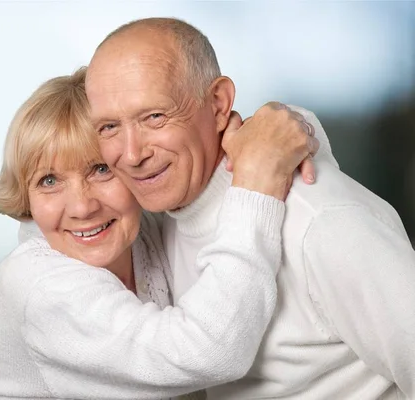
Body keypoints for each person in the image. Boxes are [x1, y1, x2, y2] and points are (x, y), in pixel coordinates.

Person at [84, 17, 415, 399]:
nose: (132, 154)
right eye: (109, 127)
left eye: (154, 117)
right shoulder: (158, 221)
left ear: (219, 103)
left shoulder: (322, 223)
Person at [0, 68, 318, 399]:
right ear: (27, 195)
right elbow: (207, 352)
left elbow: (262, 146)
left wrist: (269, 130)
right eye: (48, 181)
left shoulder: (145, 229)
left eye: (100, 170)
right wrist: (257, 185)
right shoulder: (37, 285)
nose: (82, 208)